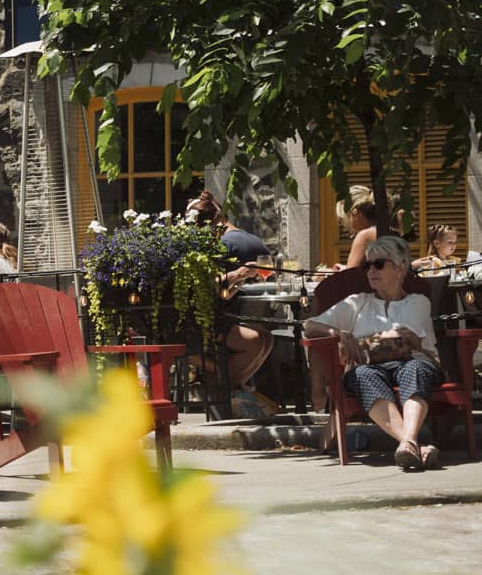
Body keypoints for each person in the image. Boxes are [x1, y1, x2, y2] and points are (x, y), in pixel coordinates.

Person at [303, 235, 444, 470]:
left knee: (415, 370)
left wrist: (361, 346)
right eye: (367, 265)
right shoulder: (357, 302)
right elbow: (309, 326)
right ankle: (411, 443)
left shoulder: (417, 301)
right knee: (363, 376)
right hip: (369, 369)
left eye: (379, 264)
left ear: (400, 269)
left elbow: (406, 338)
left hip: (414, 362)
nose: (371, 270)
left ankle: (409, 443)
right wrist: (340, 334)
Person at [185, 192, 277, 410]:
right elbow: (204, 286)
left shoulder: (212, 244)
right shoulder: (198, 248)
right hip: (195, 324)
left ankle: (227, 390)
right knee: (255, 341)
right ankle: (221, 392)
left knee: (266, 338)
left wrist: (241, 277)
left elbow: (218, 291)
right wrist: (238, 274)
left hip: (212, 318)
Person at [340, 190, 379, 271]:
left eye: (346, 217)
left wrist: (327, 274)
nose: (346, 223)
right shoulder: (389, 231)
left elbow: (350, 277)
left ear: (355, 213)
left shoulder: (365, 236)